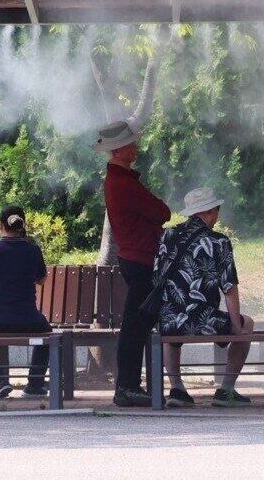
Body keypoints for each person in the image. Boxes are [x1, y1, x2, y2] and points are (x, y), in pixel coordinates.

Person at [155, 188, 255, 408]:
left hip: (169, 321)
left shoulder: (167, 236)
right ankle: (226, 390)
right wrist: (237, 327)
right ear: (209, 211)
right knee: (247, 323)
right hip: (204, 320)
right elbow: (229, 288)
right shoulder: (219, 242)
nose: (218, 214)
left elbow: (157, 278)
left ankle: (177, 389)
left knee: (172, 323)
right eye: (217, 209)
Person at [97, 119, 172, 408]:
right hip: (140, 258)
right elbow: (161, 211)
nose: (135, 147)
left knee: (137, 324)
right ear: (119, 150)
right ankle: (127, 387)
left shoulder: (119, 181)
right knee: (135, 326)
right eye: (131, 144)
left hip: (135, 257)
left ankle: (130, 385)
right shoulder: (122, 183)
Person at [0, 206, 52, 399]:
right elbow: (41, 280)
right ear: (22, 226)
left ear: (0, 225)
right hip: (28, 321)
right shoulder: (33, 250)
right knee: (48, 335)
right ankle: (34, 384)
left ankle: (0, 381)